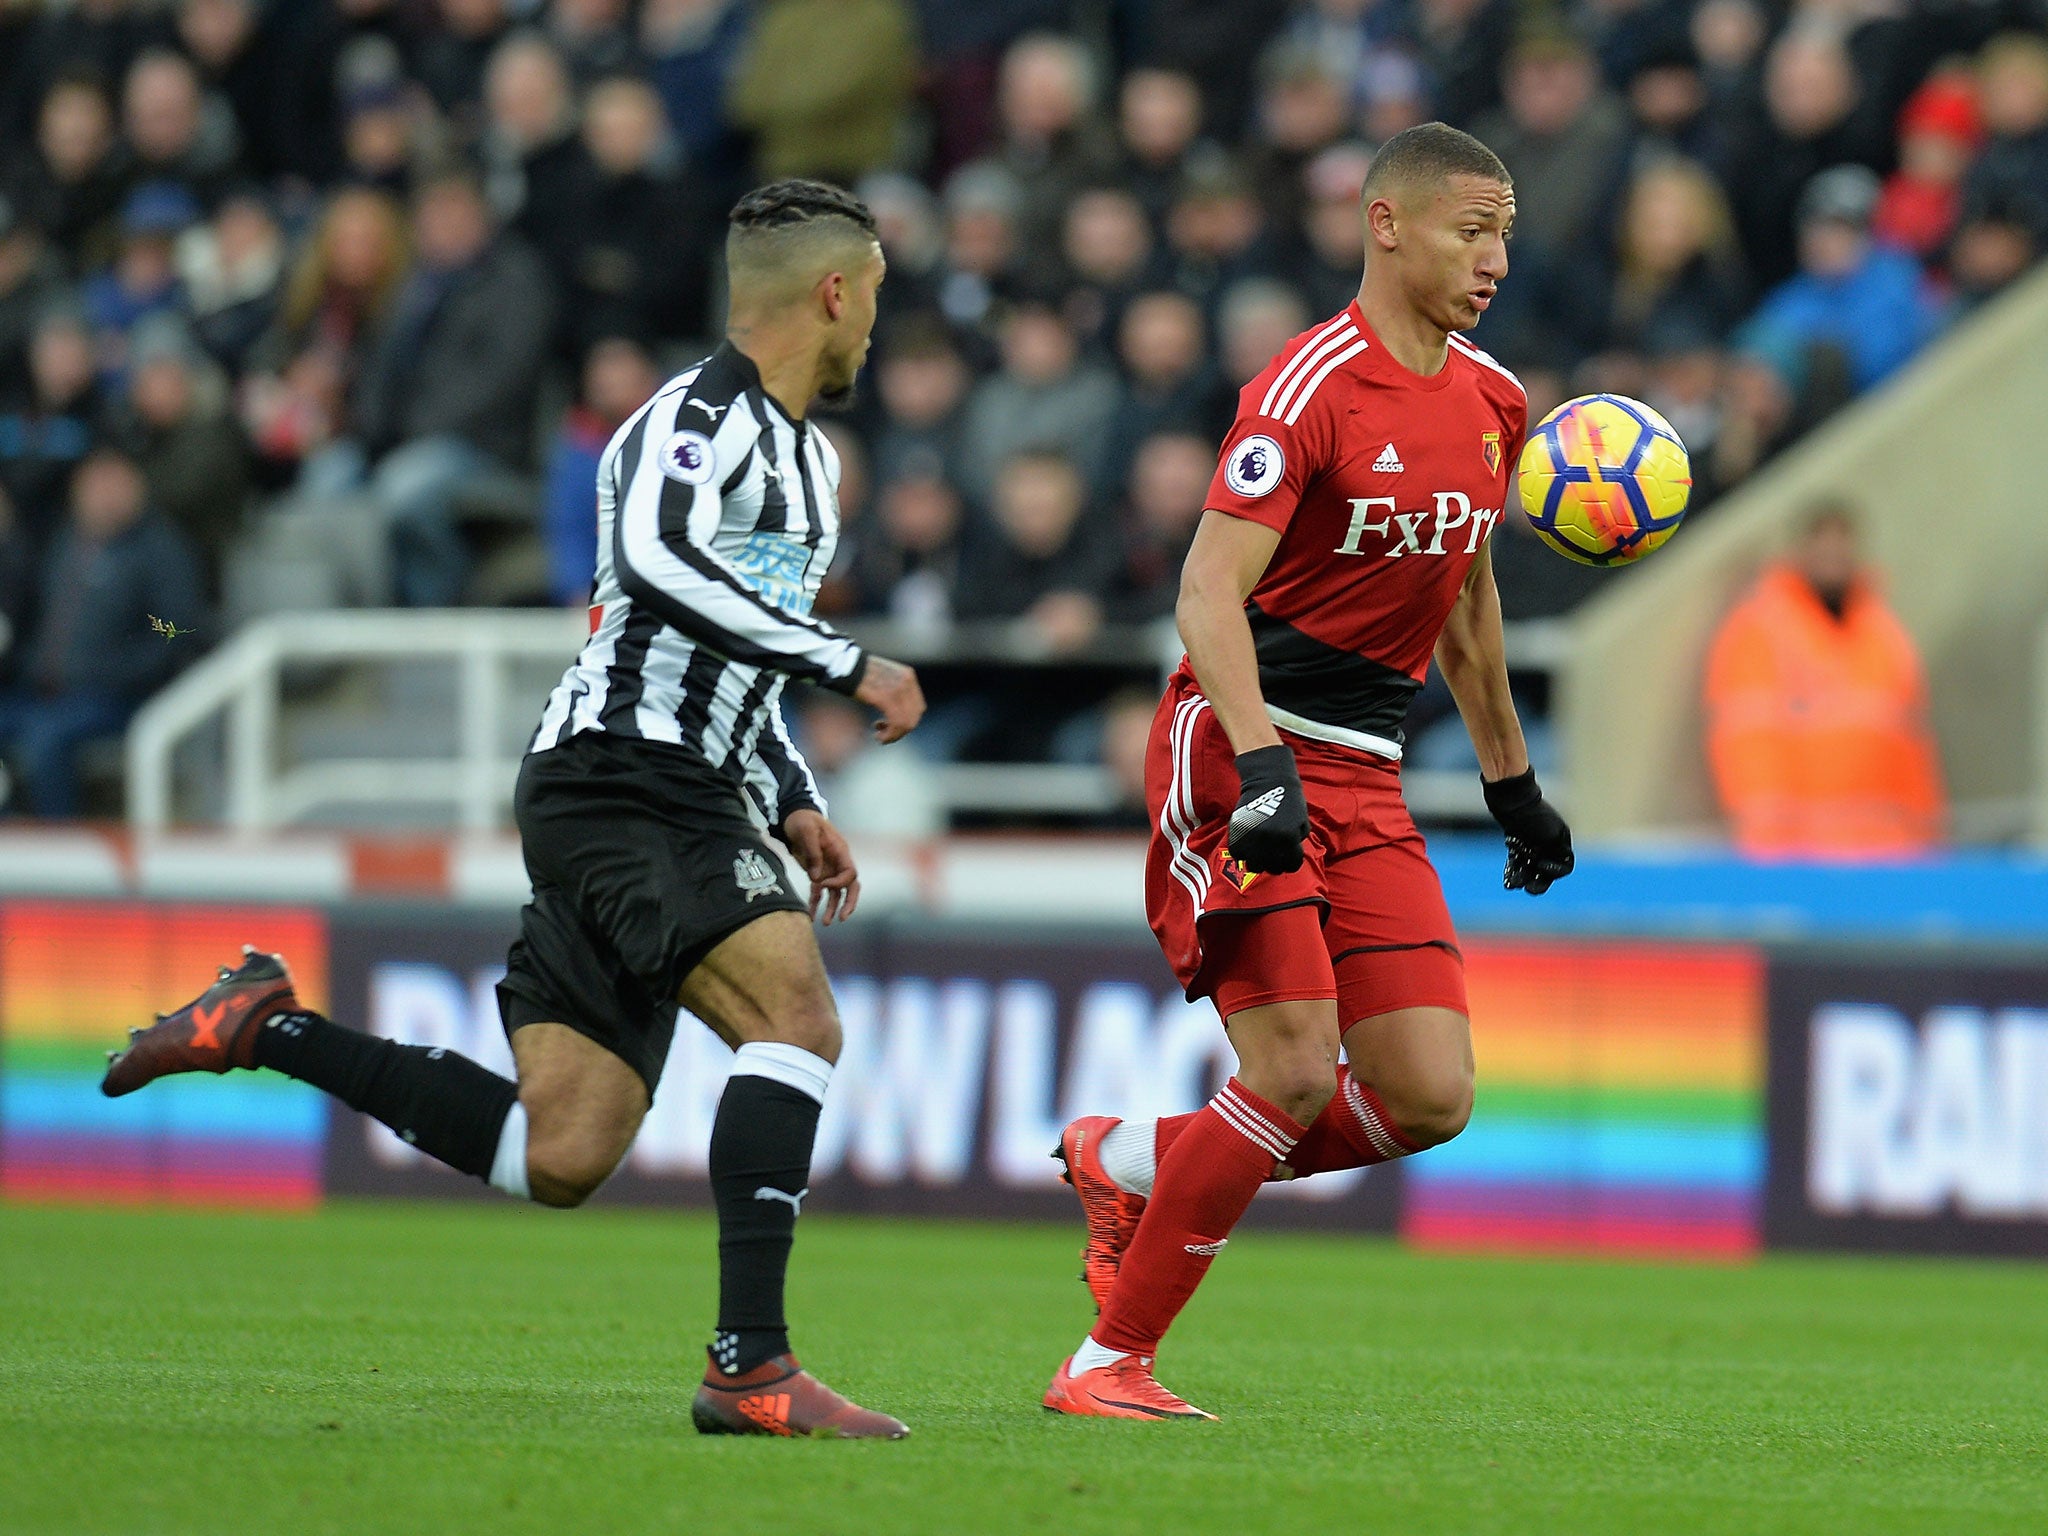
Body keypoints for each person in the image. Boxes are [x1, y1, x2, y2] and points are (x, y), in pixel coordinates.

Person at [103, 179, 930, 1440]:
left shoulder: (811, 463)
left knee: (559, 1151)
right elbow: (655, 569)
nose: (875, 319)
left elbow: (724, 652)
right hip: (620, 775)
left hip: (684, 782)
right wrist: (844, 660)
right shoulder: (687, 421)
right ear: (829, 293)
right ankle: (749, 1366)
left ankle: (260, 1024)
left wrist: (794, 794)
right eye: (870, 293)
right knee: (796, 1019)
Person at [1040, 122, 1574, 1421]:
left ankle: (1134, 1162)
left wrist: (1511, 781)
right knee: (1287, 1071)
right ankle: (1110, 1363)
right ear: (1385, 226)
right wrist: (1267, 764)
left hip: (1370, 771)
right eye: (1471, 228)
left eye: (1504, 232)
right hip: (1239, 744)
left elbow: (1466, 601)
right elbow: (1205, 592)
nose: (1495, 256)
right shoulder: (1307, 386)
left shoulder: (1494, 401)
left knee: (1428, 1096)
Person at [1703, 501, 1944, 858]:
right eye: (1822, 540)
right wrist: (1767, 848)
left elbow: (1912, 749)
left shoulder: (1887, 637)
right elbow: (1746, 743)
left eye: (1842, 540)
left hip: (1887, 858)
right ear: (1801, 549)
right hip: (1799, 859)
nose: (1833, 552)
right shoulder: (1761, 630)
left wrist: (1928, 846)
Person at [0, 446, 205, 816]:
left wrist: (118, 671)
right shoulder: (62, 543)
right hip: (39, 692)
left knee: (44, 740)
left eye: (115, 485)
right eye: (95, 485)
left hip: (115, 698)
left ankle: (60, 855)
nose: (104, 496)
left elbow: (176, 630)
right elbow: (28, 610)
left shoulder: (159, 549)